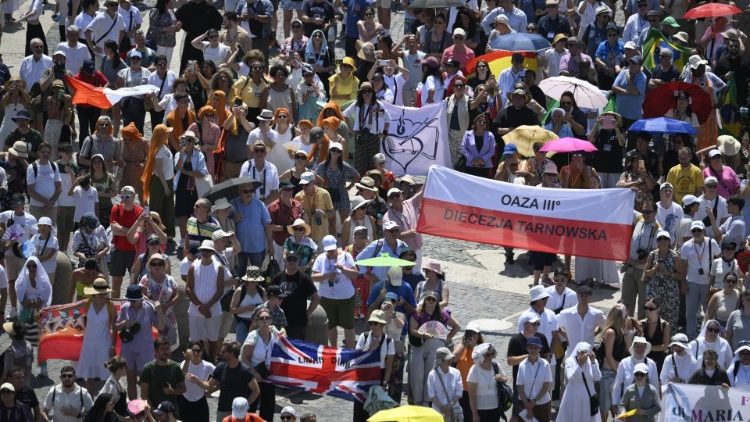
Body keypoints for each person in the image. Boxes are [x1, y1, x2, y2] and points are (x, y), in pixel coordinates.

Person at [409, 290, 460, 406]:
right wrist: (422, 334)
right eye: (428, 299)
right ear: (425, 300)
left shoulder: (443, 314)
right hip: (419, 345)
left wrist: (447, 338)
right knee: (417, 375)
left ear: (437, 302)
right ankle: (417, 401)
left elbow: (457, 327)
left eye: (433, 299)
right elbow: (412, 330)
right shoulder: (417, 313)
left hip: (435, 347)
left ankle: (427, 401)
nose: (431, 301)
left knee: (429, 374)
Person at [117, 285, 164, 400]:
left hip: (145, 350)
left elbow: (161, 327)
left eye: (134, 300)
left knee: (146, 382)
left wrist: (159, 311)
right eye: (130, 300)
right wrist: (124, 324)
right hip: (129, 349)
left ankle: (147, 408)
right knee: (130, 380)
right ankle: (134, 409)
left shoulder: (149, 308)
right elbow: (115, 327)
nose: (131, 303)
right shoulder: (125, 308)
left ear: (140, 299)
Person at [311, 235, 358, 348]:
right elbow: (313, 277)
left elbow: (355, 274)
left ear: (337, 245)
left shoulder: (346, 256)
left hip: (346, 298)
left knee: (348, 326)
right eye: (328, 250)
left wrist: (343, 269)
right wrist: (326, 275)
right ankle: (333, 349)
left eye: (333, 249)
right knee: (330, 326)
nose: (331, 252)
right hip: (327, 298)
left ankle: (350, 352)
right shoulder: (320, 258)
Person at [680, 221, 721, 338]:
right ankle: (691, 336)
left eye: (699, 230)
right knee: (691, 312)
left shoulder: (712, 242)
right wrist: (683, 284)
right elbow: (683, 267)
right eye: (694, 231)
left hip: (708, 283)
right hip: (691, 282)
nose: (697, 233)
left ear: (704, 231)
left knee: (709, 311)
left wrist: (716, 282)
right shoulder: (686, 245)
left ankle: (708, 335)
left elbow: (719, 260)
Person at [186, 240, 225, 362]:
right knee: (195, 340)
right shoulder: (193, 266)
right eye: (203, 250)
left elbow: (220, 290)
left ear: (213, 252)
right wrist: (201, 307)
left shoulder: (219, 267)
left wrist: (207, 307)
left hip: (213, 310)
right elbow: (188, 288)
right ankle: (194, 362)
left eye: (208, 251)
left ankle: (211, 364)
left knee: (213, 339)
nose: (205, 253)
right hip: (195, 309)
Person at [240, 307, 281, 421]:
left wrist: (282, 331)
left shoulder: (274, 334)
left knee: (268, 408)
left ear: (271, 320)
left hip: (269, 375)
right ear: (257, 321)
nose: (264, 321)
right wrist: (255, 373)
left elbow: (285, 340)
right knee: (251, 408)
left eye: (267, 318)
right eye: (261, 318)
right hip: (253, 376)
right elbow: (244, 359)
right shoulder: (253, 336)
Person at [77, 278, 115, 393]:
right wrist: (49, 311)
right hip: (88, 343)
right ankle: (90, 399)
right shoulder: (87, 303)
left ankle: (105, 400)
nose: (102, 294)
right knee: (89, 374)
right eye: (99, 292)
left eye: (103, 292)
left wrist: (113, 346)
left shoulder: (110, 305)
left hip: (104, 343)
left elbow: (114, 327)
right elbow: (67, 310)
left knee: (105, 374)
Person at [207, 342, 260, 422]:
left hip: (239, 414)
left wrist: (245, 405)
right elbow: (209, 385)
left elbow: (256, 391)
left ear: (231, 353)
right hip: (223, 410)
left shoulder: (245, 371)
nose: (220, 353)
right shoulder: (220, 368)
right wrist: (197, 381)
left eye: (223, 352)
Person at [15, 256, 51, 378]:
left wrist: (39, 302)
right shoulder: (22, 280)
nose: (31, 268)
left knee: (41, 340)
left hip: (39, 312)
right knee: (24, 340)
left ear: (38, 266)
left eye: (34, 265)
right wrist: (29, 302)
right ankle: (25, 367)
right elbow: (21, 297)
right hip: (25, 312)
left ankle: (44, 368)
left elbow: (45, 297)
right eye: (28, 266)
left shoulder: (43, 280)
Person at [272, 252, 320, 340]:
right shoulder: (277, 277)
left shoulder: (305, 278)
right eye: (289, 259)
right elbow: (270, 296)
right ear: (285, 261)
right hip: (279, 321)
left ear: (299, 261)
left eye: (295, 259)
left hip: (298, 322)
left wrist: (308, 313)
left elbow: (316, 298)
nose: (292, 262)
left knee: (296, 350)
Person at [611, 337, 660, 418]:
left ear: (645, 348)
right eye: (637, 346)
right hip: (627, 403)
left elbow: (655, 385)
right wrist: (615, 402)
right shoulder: (624, 362)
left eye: (642, 346)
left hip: (646, 405)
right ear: (633, 347)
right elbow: (618, 384)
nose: (639, 349)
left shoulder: (651, 364)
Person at [109, 186, 144, 298]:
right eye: (122, 196)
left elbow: (137, 235)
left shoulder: (140, 211)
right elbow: (114, 230)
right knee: (116, 282)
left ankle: (130, 306)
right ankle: (115, 307)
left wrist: (122, 229)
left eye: (127, 196)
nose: (124, 198)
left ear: (134, 196)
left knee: (133, 282)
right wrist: (130, 231)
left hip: (134, 252)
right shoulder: (116, 208)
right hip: (118, 251)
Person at [231, 180, 274, 270]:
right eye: (245, 191)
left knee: (256, 277)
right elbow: (226, 225)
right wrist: (234, 220)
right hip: (239, 248)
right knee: (239, 276)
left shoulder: (260, 205)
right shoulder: (233, 204)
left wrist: (270, 245)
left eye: (251, 191)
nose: (249, 194)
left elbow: (267, 226)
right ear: (239, 192)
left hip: (257, 248)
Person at [139, 254, 179, 350]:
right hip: (151, 315)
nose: (157, 266)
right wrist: (152, 303)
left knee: (168, 343)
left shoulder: (170, 279)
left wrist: (167, 305)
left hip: (167, 314)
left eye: (160, 264)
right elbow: (141, 294)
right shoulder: (145, 278)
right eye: (154, 264)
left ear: (163, 266)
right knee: (152, 342)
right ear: (150, 266)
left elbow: (177, 295)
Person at [642, 230, 680, 328]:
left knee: (670, 318)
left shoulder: (675, 256)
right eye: (660, 239)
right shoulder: (652, 254)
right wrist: (655, 269)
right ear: (657, 241)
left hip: (670, 294)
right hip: (654, 292)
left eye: (665, 238)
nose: (663, 241)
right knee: (652, 316)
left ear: (669, 241)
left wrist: (668, 273)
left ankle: (669, 339)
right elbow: (646, 272)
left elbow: (681, 275)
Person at [557, 342, 601, 422]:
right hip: (573, 396)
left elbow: (597, 377)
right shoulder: (569, 361)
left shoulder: (592, 361)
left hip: (588, 396)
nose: (584, 355)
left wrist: (593, 362)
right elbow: (571, 378)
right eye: (582, 352)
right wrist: (580, 365)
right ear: (577, 352)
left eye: (586, 352)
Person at [139, 337, 186, 409]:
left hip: (172, 413)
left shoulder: (175, 367)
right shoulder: (148, 369)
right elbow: (144, 394)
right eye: (163, 349)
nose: (166, 352)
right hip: (154, 414)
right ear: (156, 351)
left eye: (167, 348)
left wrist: (172, 392)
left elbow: (183, 388)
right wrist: (154, 412)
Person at [467, 342, 508, 422]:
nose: (491, 357)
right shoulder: (474, 370)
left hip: (496, 408)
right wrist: (475, 414)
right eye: (488, 355)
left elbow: (506, 378)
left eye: (492, 354)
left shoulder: (496, 365)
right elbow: (471, 395)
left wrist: (501, 379)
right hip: (480, 410)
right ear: (481, 356)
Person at [179, 341, 214, 422]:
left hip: (200, 401)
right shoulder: (184, 363)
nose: (195, 353)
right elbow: (181, 377)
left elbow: (220, 377)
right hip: (184, 401)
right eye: (193, 351)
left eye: (198, 351)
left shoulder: (208, 366)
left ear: (202, 352)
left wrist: (211, 389)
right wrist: (187, 360)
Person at [427, 347, 463, 421]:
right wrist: (442, 408)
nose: (450, 360)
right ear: (440, 361)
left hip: (454, 410)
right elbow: (432, 395)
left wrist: (449, 406)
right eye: (447, 359)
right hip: (438, 412)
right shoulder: (432, 375)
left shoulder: (456, 372)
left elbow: (459, 392)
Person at [640, 298, 671, 373]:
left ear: (658, 310)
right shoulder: (641, 323)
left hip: (659, 361)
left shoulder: (665, 325)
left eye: (651, 309)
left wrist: (648, 347)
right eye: (646, 308)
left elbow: (665, 346)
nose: (647, 310)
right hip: (644, 359)